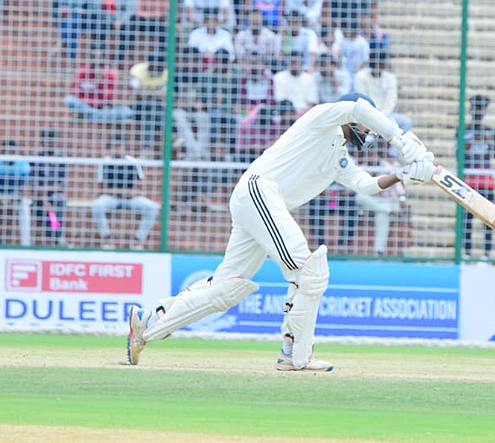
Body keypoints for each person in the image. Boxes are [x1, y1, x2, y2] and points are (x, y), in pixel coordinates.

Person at [127, 94, 432, 370]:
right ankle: (295, 353)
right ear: (353, 122)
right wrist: (400, 139)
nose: (370, 132)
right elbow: (357, 107)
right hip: (260, 191)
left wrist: (402, 174)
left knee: (225, 289)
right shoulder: (322, 118)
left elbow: (365, 184)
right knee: (307, 269)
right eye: (367, 126)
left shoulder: (338, 157)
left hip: (258, 203)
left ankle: (148, 324)